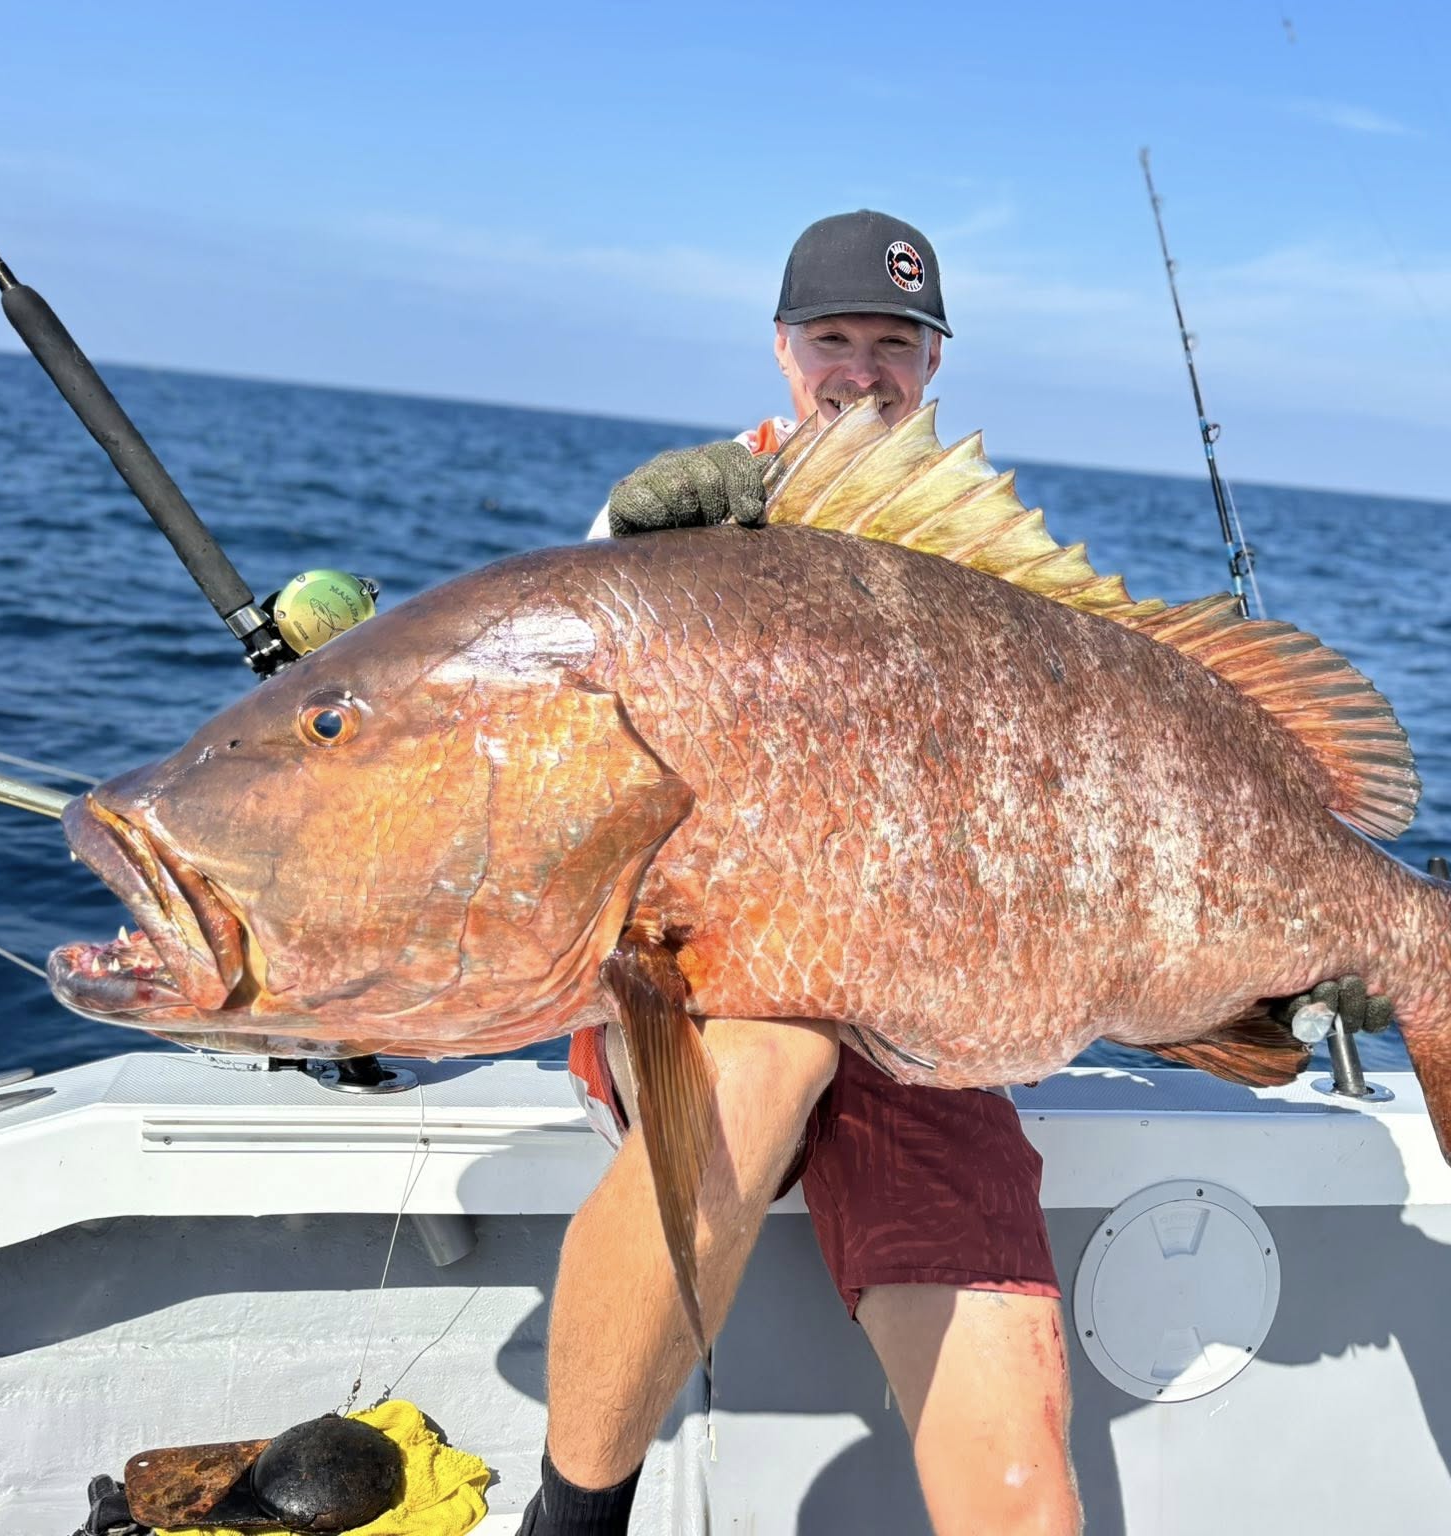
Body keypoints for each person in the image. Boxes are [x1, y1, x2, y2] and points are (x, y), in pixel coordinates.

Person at [522, 210, 1390, 1536]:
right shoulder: (674, 520)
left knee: (1021, 1487)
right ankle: (573, 1523)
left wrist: (1245, 959)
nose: (861, 371)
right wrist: (643, 557)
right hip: (717, 981)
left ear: (934, 364)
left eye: (894, 344)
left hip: (928, 1017)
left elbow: (1078, 805)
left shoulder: (974, 559)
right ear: (781, 347)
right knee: (767, 1068)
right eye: (834, 340)